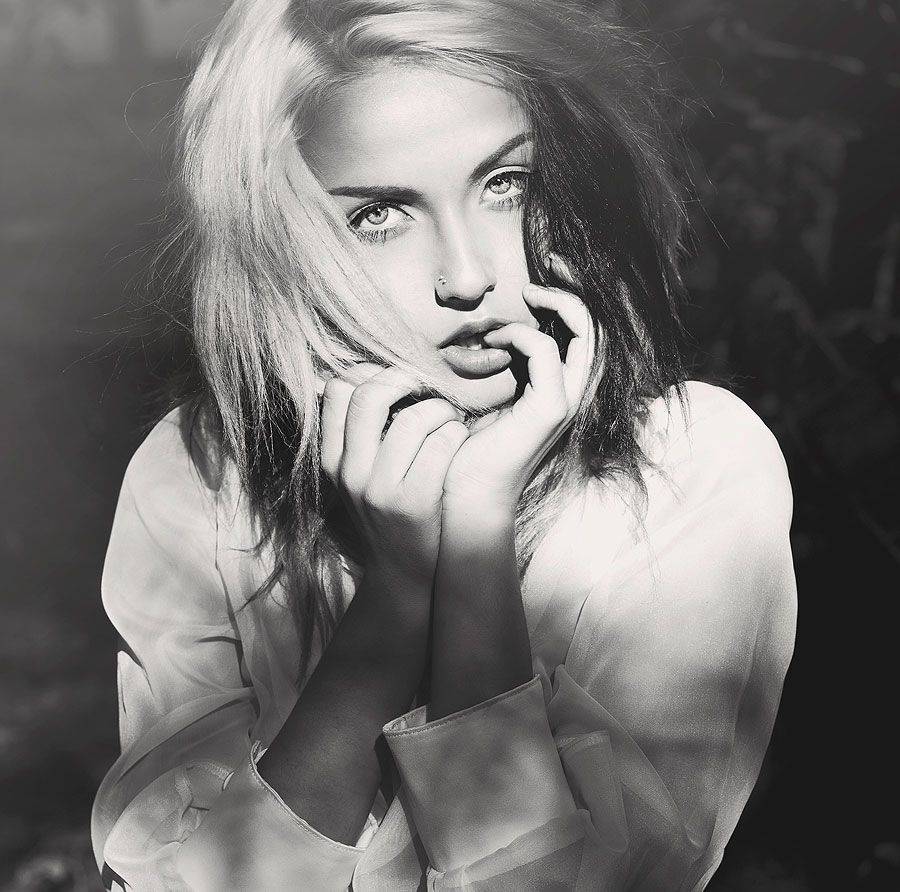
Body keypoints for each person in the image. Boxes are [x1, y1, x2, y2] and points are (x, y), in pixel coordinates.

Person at [90, 0, 798, 888]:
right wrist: (395, 598)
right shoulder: (199, 475)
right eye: (380, 215)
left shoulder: (691, 469)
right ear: (277, 244)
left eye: (507, 184)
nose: (469, 277)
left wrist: (474, 542)